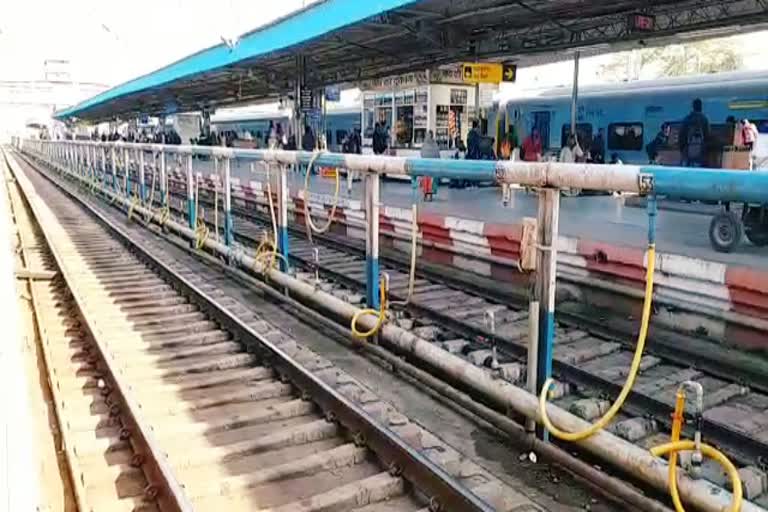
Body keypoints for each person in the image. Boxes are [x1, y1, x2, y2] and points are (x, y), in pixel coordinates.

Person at [679, 98, 710, 167]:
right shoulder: (704, 119)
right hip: (701, 152)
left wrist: (682, 148)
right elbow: (707, 136)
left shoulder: (687, 119)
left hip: (687, 151)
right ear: (701, 107)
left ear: (693, 107)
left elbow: (681, 135)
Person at [419, 130, 441, 200]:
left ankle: (426, 195)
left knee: (427, 181)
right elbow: (437, 154)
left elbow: (422, 153)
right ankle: (429, 196)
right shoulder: (434, 144)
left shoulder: (425, 144)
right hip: (432, 166)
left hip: (426, 166)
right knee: (431, 181)